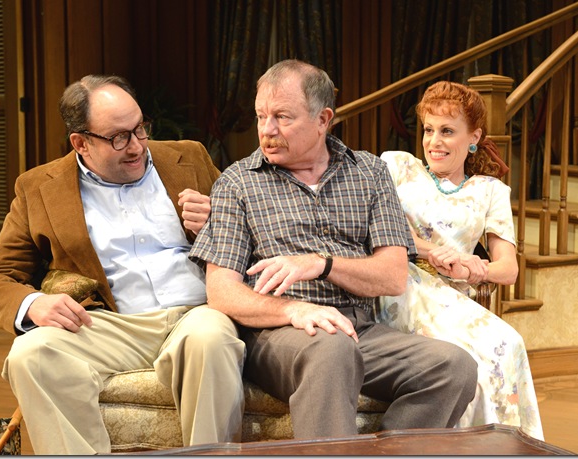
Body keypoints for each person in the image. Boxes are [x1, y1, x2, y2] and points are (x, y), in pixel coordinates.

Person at [189, 59, 478, 439]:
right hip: (279, 332)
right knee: (331, 350)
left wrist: (321, 264)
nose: (267, 130)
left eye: (282, 117)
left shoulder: (369, 173)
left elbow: (392, 276)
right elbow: (221, 291)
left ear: (323, 119)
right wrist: (294, 309)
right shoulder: (238, 183)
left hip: (360, 328)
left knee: (454, 366)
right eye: (261, 117)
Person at [0, 75, 245, 454]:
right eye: (118, 138)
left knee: (211, 339)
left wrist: (219, 224)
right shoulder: (38, 188)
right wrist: (35, 304)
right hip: (110, 325)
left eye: (139, 130)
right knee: (29, 355)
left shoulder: (190, 157)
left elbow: (257, 234)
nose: (135, 147)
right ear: (80, 143)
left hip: (195, 311)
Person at [377, 80, 544, 440]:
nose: (434, 142)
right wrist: (427, 250)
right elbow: (376, 228)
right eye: (428, 130)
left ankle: (499, 448)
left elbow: (508, 268)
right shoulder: (399, 167)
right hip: (400, 284)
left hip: (455, 296)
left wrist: (472, 266)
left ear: (473, 137)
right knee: (463, 355)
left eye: (447, 131)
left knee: (508, 343)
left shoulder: (489, 191)